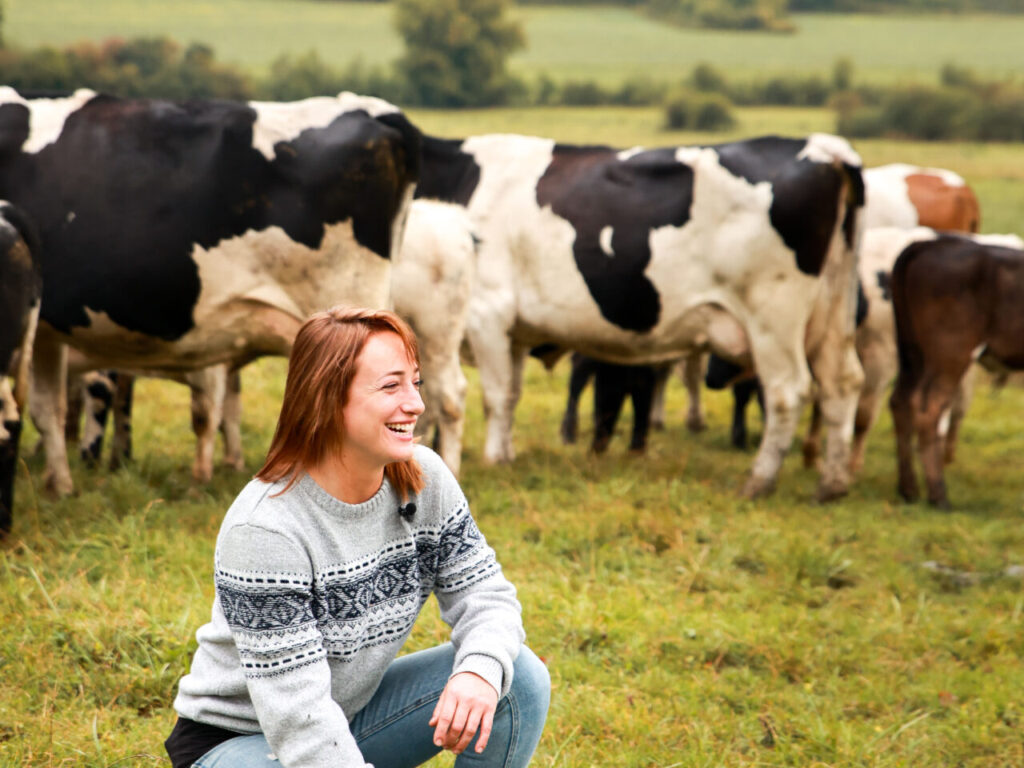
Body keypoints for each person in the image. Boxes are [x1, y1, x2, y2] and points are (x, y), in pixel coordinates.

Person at [164, 307, 550, 768]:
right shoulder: (265, 528)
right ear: (326, 399)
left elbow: (487, 596)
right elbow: (299, 719)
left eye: (416, 382)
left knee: (516, 676)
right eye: (391, 386)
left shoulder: (425, 478)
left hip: (348, 719)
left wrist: (479, 672)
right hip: (239, 743)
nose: (416, 404)